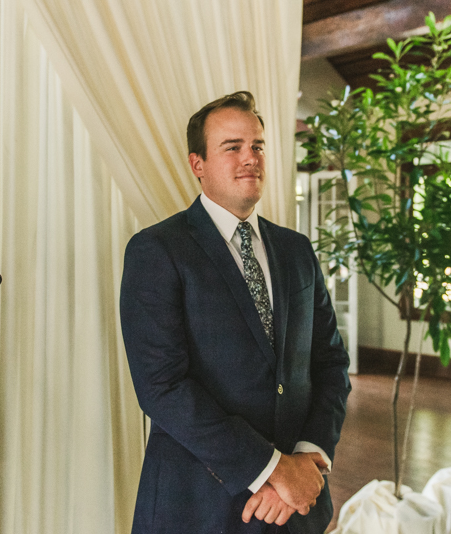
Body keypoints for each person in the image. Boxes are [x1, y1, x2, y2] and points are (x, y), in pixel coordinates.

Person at [120, 91, 351, 533]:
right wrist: (273, 470)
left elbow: (330, 362)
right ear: (197, 164)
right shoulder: (157, 250)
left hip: (297, 509)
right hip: (200, 506)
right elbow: (161, 386)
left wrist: (308, 457)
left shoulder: (297, 250)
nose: (251, 158)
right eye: (233, 147)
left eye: (258, 146)